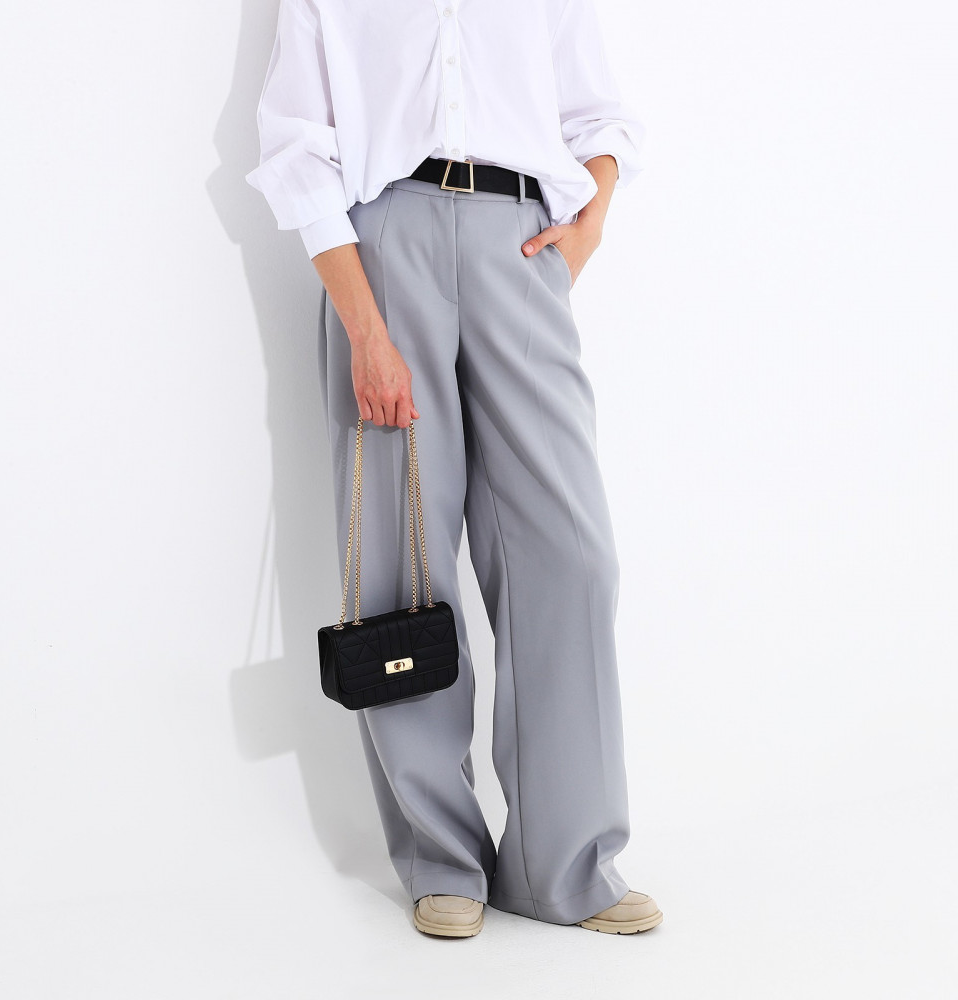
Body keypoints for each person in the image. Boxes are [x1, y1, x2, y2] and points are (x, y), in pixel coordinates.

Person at [246, 0, 663, 938]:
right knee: (402, 564)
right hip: (384, 248)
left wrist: (589, 220)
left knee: (573, 557)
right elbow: (295, 142)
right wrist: (364, 327)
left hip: (521, 239)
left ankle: (566, 865)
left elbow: (599, 115)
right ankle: (440, 858)